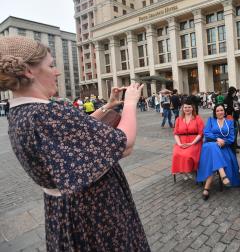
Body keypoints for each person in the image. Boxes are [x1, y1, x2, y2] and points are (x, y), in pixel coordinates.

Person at [0, 36, 150, 251]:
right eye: (50, 65)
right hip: (94, 212)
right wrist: (131, 102)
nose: (56, 72)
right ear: (29, 71)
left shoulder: (22, 112)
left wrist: (108, 107)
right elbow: (124, 144)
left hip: (67, 210)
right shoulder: (46, 113)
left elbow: (77, 131)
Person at [196, 104, 240, 200]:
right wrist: (217, 139)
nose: (220, 112)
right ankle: (223, 174)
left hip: (223, 146)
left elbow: (232, 138)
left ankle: (206, 188)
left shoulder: (229, 122)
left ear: (224, 111)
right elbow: (206, 133)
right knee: (213, 146)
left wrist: (224, 142)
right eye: (217, 111)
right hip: (209, 144)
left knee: (213, 154)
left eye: (221, 110)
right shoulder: (211, 121)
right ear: (215, 112)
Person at [171, 100, 204, 180]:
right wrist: (179, 144)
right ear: (182, 108)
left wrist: (192, 143)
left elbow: (200, 133)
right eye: (185, 107)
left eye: (189, 107)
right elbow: (176, 133)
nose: (187, 109)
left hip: (195, 141)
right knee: (176, 154)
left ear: (192, 108)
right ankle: (183, 171)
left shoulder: (197, 118)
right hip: (181, 142)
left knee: (188, 154)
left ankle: (188, 170)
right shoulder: (178, 119)